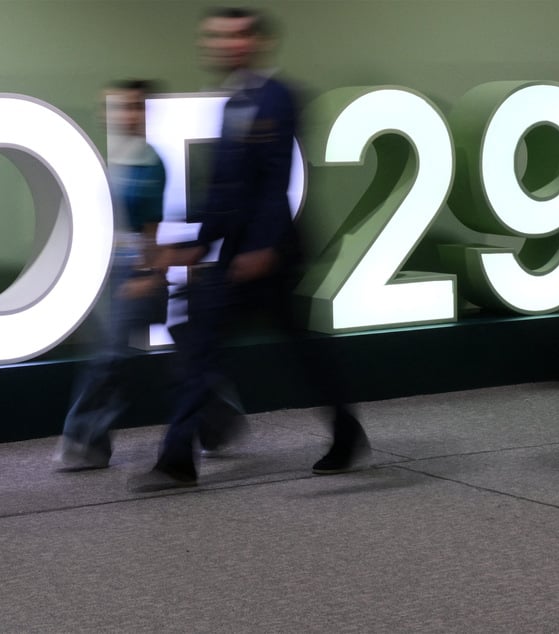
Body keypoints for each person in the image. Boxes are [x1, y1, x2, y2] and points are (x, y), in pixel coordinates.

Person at [129, 6, 368, 492]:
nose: (224, 44)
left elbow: (275, 183)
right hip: (235, 258)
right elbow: (224, 190)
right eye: (216, 36)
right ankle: (178, 458)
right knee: (201, 344)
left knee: (299, 351)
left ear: (258, 42)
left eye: (235, 36)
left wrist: (261, 248)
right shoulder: (232, 103)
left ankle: (346, 434)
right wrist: (195, 247)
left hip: (270, 257)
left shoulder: (280, 98)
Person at [53, 80, 167, 471]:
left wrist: (149, 270)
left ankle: (85, 441)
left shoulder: (150, 162)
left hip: (134, 269)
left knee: (110, 356)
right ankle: (217, 421)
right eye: (119, 107)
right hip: (106, 269)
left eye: (136, 107)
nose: (127, 115)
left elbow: (150, 227)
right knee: (172, 356)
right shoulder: (107, 160)